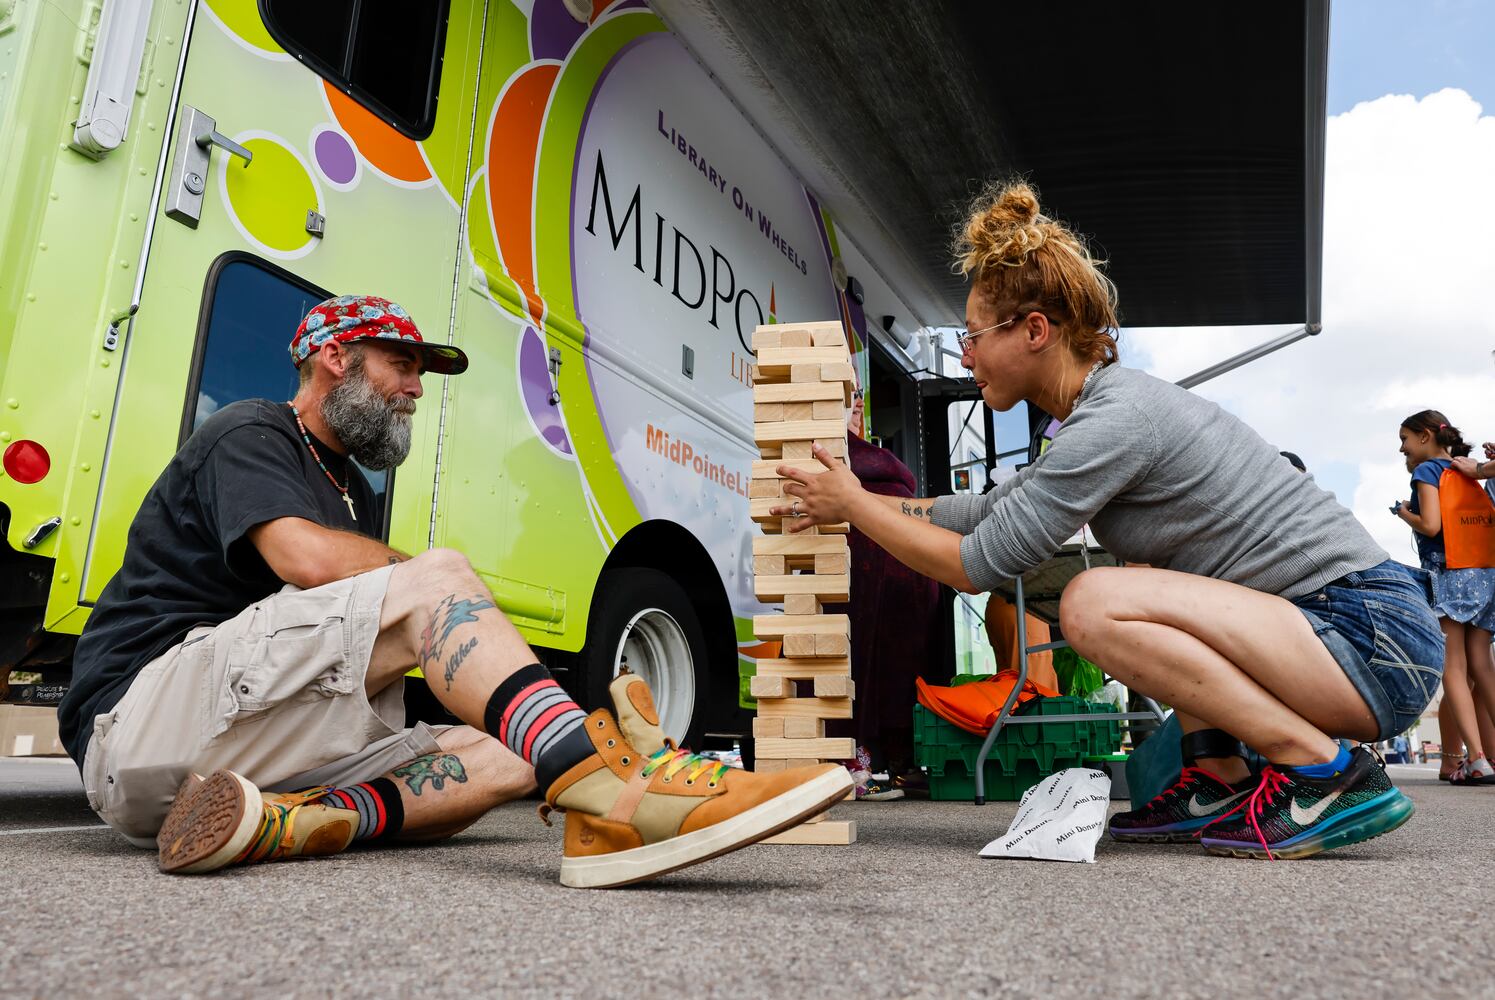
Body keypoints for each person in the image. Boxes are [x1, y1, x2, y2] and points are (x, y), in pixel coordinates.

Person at [57, 294, 849, 888]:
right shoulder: (251, 431)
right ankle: (615, 786)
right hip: (136, 729)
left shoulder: (349, 489)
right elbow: (301, 558)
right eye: (401, 365)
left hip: (233, 759)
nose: (415, 388)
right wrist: (429, 592)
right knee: (438, 575)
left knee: (509, 750)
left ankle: (291, 824)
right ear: (335, 356)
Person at [773, 181, 1443, 859]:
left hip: (1368, 635)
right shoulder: (1094, 420)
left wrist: (854, 506)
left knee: (1092, 603)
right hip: (1331, 632)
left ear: (1034, 330)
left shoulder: (1115, 421)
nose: (965, 356)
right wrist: (857, 497)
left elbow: (977, 563)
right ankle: (1216, 778)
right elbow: (982, 510)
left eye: (974, 336)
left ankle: (1323, 772)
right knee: (1140, 588)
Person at [823, 378, 941, 800]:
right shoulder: (830, 458)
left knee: (885, 670)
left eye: (857, 400)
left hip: (894, 589)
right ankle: (862, 758)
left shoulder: (879, 465)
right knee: (858, 667)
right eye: (846, 400)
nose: (856, 406)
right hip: (861, 583)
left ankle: (885, 758)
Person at [1400, 414, 1495, 785]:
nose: (1402, 447)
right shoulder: (1468, 471)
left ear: (1425, 437)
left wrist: (1405, 513)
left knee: (1452, 667)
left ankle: (1477, 759)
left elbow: (1432, 526)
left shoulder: (1427, 473)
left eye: (1405, 437)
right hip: (1485, 573)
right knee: (1483, 667)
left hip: (1450, 575)